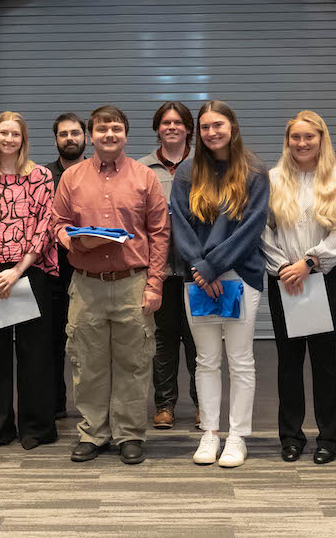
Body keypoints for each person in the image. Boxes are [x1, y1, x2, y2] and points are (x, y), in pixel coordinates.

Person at [53, 105, 169, 464]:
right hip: (86, 285)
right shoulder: (72, 177)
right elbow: (57, 222)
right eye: (102, 129)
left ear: (126, 134)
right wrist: (74, 241)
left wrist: (154, 284)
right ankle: (93, 433)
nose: (109, 135)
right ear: (91, 135)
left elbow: (160, 233)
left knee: (133, 363)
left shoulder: (144, 177)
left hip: (132, 283)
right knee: (88, 363)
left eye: (116, 129)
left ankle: (129, 434)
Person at [170, 100, 270, 468]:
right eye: (206, 126)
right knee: (206, 360)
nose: (212, 132)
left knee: (240, 360)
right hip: (197, 277)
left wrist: (213, 266)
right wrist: (200, 266)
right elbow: (179, 222)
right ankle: (210, 433)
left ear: (233, 126)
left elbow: (252, 226)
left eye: (219, 125)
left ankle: (237, 436)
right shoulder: (185, 172)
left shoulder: (255, 171)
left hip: (240, 276)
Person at [263, 111, 336, 465]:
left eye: (309, 137)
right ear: (287, 141)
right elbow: (264, 230)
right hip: (284, 278)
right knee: (288, 360)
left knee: (324, 360)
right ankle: (291, 436)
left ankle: (330, 437)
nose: (302, 143)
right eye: (295, 137)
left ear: (321, 139)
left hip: (322, 277)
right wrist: (285, 267)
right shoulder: (273, 179)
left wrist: (311, 262)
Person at [0, 111, 59, 451]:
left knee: (35, 353)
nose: (9, 139)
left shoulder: (41, 177)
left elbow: (45, 226)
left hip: (30, 271)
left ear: (23, 139)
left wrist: (17, 271)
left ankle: (36, 428)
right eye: (3, 133)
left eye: (15, 134)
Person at [140, 101, 200, 430]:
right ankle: (164, 405)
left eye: (178, 122)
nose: (172, 127)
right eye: (165, 122)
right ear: (157, 128)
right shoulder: (142, 168)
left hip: (197, 271)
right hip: (158, 270)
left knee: (198, 339)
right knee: (161, 340)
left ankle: (203, 404)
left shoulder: (203, 164)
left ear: (189, 128)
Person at [44, 112, 87, 419]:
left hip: (88, 265)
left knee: (88, 338)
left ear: (85, 137)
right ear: (56, 139)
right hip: (52, 268)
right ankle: (56, 404)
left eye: (75, 133)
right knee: (53, 339)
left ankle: (90, 405)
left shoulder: (97, 173)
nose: (70, 138)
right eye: (64, 134)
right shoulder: (43, 175)